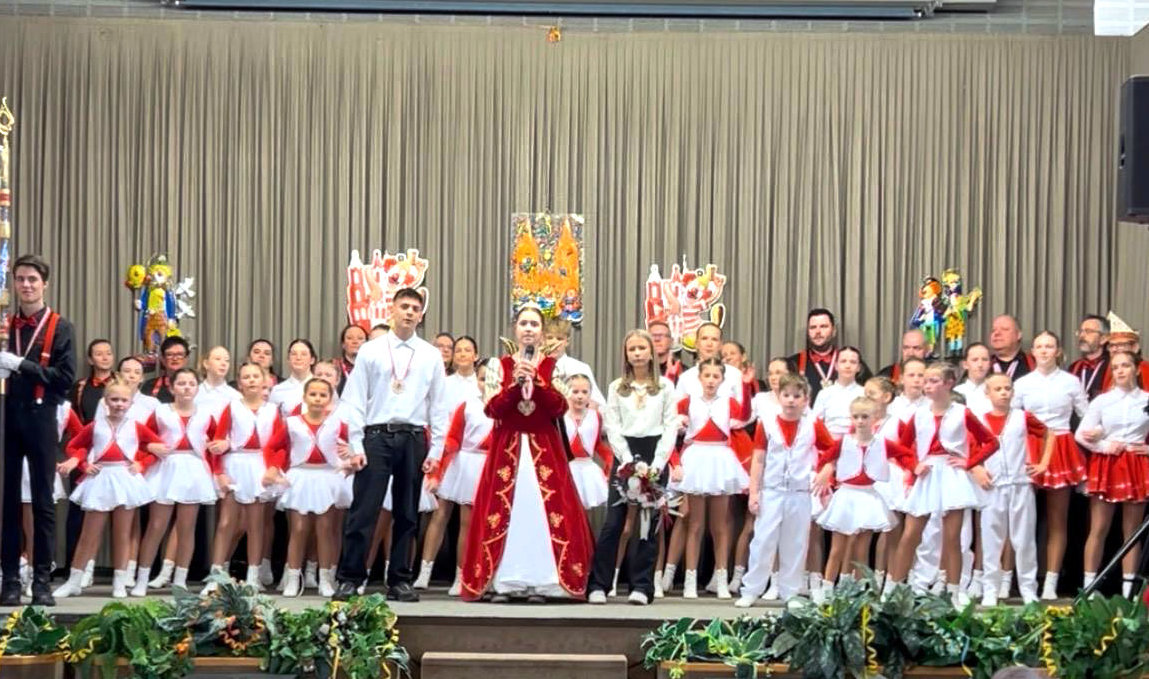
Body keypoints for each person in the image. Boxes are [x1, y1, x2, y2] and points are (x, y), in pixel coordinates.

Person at [460, 305, 594, 602]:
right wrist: (514, 385)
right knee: (505, 510)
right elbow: (492, 409)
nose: (529, 329)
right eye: (524, 323)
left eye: (534, 324)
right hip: (507, 448)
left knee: (542, 511)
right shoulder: (499, 365)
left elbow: (560, 408)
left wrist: (539, 383)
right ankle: (504, 582)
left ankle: (544, 582)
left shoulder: (555, 367)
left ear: (542, 332)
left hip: (544, 449)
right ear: (515, 329)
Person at [335, 288, 449, 602]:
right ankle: (350, 578)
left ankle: (400, 580)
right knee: (364, 511)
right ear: (393, 309)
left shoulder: (430, 354)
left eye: (415, 308)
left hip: (413, 437)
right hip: (376, 436)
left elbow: (439, 405)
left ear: (421, 315)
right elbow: (354, 399)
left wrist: (437, 450)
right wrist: (356, 444)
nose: (409, 312)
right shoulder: (371, 350)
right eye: (404, 306)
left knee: (408, 513)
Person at [884, 362, 999, 606]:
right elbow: (901, 448)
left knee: (952, 537)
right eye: (925, 381)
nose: (927, 385)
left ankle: (954, 593)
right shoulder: (919, 414)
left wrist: (969, 462)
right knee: (910, 534)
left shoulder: (962, 412)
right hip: (927, 473)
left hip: (951, 474)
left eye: (933, 381)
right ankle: (893, 589)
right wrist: (913, 465)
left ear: (949, 383)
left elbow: (991, 442)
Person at [0, 254, 77, 606]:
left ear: (45, 283)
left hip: (41, 416)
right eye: (20, 279)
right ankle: (11, 580)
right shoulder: (5, 325)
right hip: (7, 418)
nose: (26, 285)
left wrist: (22, 365)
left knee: (44, 502)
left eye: (32, 279)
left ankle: (42, 581)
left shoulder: (60, 327)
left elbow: (64, 380)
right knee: (7, 502)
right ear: (13, 283)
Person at [588, 329, 679, 605]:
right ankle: (599, 584)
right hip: (625, 456)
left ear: (651, 352)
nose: (637, 353)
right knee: (614, 522)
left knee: (648, 523)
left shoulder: (665, 387)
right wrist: (627, 462)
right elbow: (612, 426)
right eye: (632, 349)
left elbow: (670, 426)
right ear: (626, 355)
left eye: (642, 348)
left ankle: (642, 586)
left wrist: (657, 464)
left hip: (655, 454)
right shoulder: (617, 387)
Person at [54, 376, 161, 598]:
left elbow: (157, 447)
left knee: (122, 534)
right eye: (114, 399)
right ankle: (74, 581)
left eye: (124, 400)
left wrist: (142, 463)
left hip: (125, 478)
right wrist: (84, 465)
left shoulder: (136, 427)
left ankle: (119, 583)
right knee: (89, 534)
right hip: (101, 478)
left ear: (131, 403)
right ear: (105, 401)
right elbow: (74, 446)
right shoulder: (95, 426)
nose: (119, 404)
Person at [736, 374, 835, 607]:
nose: (791, 400)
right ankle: (751, 590)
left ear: (806, 399)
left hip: (799, 493)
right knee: (762, 541)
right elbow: (758, 459)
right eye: (786, 395)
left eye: (797, 396)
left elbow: (833, 451)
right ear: (779, 397)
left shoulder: (813, 424)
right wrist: (754, 492)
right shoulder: (767, 423)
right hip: (772, 491)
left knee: (796, 543)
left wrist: (826, 471)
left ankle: (790, 592)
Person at [812, 396, 914, 603]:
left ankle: (858, 590)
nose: (860, 421)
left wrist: (914, 468)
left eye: (865, 417)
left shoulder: (882, 443)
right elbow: (826, 458)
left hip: (868, 497)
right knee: (837, 548)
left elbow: (905, 454)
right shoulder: (844, 442)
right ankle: (827, 588)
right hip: (846, 496)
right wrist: (826, 470)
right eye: (856, 417)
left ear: (875, 418)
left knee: (862, 548)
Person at [1011, 331, 1089, 600]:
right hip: (1029, 448)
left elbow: (1086, 415)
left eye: (1049, 346)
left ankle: (1051, 583)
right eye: (1039, 346)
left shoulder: (1071, 381)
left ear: (1058, 351)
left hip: (1061, 448)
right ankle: (1015, 580)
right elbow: (1011, 417)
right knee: (1021, 518)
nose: (1044, 350)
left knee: (1057, 520)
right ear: (1032, 351)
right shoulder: (1022, 383)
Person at [132, 368, 218, 596]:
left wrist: (220, 445)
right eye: (181, 383)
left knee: (186, 528)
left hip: (193, 470)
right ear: (171, 388)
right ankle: (142, 579)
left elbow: (218, 439)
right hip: (166, 468)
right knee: (156, 526)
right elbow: (141, 438)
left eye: (191, 383)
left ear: (197, 388)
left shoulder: (206, 414)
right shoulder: (161, 411)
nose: (187, 387)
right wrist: (151, 446)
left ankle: (180, 580)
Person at [263, 378, 351, 597]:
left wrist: (349, 456)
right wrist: (274, 468)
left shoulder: (338, 424)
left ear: (330, 399)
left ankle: (325, 579)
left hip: (327, 477)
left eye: (323, 395)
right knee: (299, 529)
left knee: (325, 529)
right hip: (300, 476)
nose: (317, 399)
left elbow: (351, 446)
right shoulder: (291, 423)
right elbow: (272, 447)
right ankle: (293, 578)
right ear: (304, 397)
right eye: (313, 394)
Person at [674, 357, 754, 599]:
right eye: (706, 376)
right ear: (699, 378)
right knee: (695, 524)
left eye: (715, 376)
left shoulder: (728, 402)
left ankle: (721, 580)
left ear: (722, 379)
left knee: (719, 526)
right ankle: (690, 581)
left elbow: (745, 415)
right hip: (697, 458)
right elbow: (672, 416)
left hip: (720, 459)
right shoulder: (688, 401)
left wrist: (747, 386)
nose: (710, 380)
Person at [204, 362, 285, 592]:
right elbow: (217, 442)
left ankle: (252, 577)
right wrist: (219, 473)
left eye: (255, 376)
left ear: (264, 381)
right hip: (235, 464)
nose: (251, 380)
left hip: (259, 466)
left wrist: (273, 468)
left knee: (255, 524)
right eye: (246, 377)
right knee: (226, 522)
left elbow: (279, 445)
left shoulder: (272, 410)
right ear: (239, 383)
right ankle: (216, 576)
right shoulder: (231, 407)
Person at [1076, 350, 1149, 598]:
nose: (1120, 371)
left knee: (1132, 532)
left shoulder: (1147, 400)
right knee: (1099, 527)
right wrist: (1104, 445)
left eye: (1125, 365)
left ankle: (1128, 592)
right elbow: (1081, 434)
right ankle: (1088, 589)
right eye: (1115, 367)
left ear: (1136, 369)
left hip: (1135, 463)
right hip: (1107, 463)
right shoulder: (1102, 401)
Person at [418, 362, 494, 596]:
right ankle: (447, 575)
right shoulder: (468, 405)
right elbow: (453, 439)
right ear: (476, 381)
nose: (487, 384)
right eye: (483, 379)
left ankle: (481, 575)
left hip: (493, 466)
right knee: (459, 521)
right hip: (466, 465)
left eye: (492, 379)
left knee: (487, 524)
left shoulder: (505, 409)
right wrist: (438, 468)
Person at [977, 373, 1052, 606]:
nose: (1003, 393)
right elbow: (968, 448)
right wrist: (976, 469)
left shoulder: (1022, 417)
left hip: (1020, 484)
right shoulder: (979, 420)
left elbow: (1049, 433)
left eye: (1007, 388)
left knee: (1024, 538)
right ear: (987, 393)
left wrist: (1043, 463)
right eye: (997, 389)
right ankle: (990, 588)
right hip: (992, 487)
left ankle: (1028, 588)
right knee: (991, 540)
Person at [787, 308, 871, 403]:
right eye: (813, 327)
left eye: (823, 326)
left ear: (834, 331)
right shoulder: (794, 363)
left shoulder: (851, 362)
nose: (818, 331)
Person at [564, 375, 611, 510]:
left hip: (587, 469)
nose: (580, 396)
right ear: (566, 392)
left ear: (590, 394)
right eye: (575, 392)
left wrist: (610, 461)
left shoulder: (595, 416)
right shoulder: (560, 416)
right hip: (565, 469)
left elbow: (597, 444)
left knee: (584, 509)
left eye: (584, 392)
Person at [546, 318, 606, 407]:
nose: (553, 342)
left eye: (559, 339)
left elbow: (600, 405)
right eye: (549, 338)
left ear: (567, 341)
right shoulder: (536, 367)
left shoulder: (580, 368)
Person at [1069, 314, 1110, 401]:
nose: (1082, 336)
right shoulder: (1074, 367)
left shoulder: (1113, 366)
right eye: (1081, 331)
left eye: (1088, 331)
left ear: (1103, 338)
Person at [142, 336, 190, 403]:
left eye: (179, 354)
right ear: (162, 359)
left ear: (186, 359)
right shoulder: (150, 386)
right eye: (169, 354)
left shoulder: (197, 386)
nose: (175, 358)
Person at [988, 315, 1035, 379]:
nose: (996, 333)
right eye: (993, 330)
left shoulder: (1034, 363)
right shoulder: (983, 364)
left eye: (1004, 329)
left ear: (1018, 335)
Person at [954, 343, 993, 416]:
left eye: (985, 360)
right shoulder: (957, 392)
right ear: (965, 364)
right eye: (975, 360)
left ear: (990, 364)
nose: (980, 365)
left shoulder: (996, 392)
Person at [334, 324, 368, 394]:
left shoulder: (373, 367)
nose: (355, 342)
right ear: (343, 344)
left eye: (360, 338)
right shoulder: (334, 366)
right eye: (349, 338)